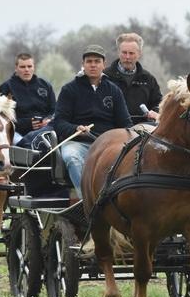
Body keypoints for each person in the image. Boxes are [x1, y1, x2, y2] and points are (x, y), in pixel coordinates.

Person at [53, 45, 133, 198]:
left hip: (108, 144)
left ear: (104, 64)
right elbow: (59, 122)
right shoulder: (69, 90)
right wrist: (75, 128)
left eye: (97, 61)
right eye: (89, 61)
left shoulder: (114, 90)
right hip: (78, 143)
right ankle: (89, 203)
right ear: (83, 64)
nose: (93, 65)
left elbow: (126, 123)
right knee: (71, 157)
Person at [0, 52, 56, 147]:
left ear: (34, 67)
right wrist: (28, 124)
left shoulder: (45, 86)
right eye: (22, 67)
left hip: (46, 130)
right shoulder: (6, 88)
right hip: (17, 133)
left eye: (29, 66)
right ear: (16, 68)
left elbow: (55, 110)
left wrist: (47, 120)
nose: (26, 70)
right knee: (27, 145)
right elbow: (2, 119)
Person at [104, 32, 162, 124]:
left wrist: (155, 113)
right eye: (124, 53)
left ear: (139, 54)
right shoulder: (104, 77)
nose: (127, 57)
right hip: (110, 130)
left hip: (142, 132)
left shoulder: (149, 79)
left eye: (131, 53)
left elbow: (158, 104)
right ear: (118, 52)